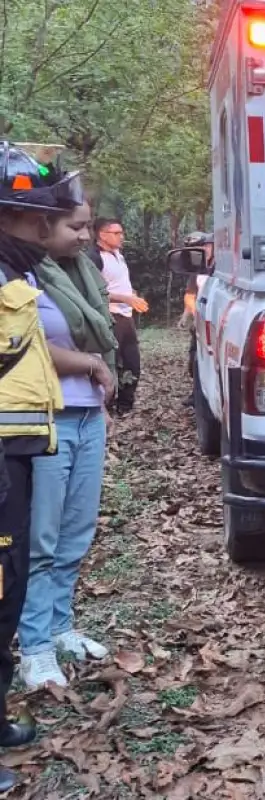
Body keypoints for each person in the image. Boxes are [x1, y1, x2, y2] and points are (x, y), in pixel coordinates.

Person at [0, 140, 80, 791]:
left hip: (18, 456)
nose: (42, 231)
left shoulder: (16, 274)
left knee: (12, 586)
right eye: (30, 221)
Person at [18, 197, 118, 688]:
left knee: (76, 531)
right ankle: (33, 645)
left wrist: (101, 381)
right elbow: (30, 344)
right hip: (44, 417)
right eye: (75, 226)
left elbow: (103, 336)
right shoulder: (23, 274)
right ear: (43, 225)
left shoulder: (80, 272)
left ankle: (60, 627)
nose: (85, 235)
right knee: (41, 537)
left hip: (86, 416)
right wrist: (91, 364)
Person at [94, 217, 149, 415]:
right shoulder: (95, 258)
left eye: (121, 233)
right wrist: (124, 299)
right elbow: (96, 292)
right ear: (102, 234)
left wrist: (132, 296)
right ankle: (105, 406)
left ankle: (126, 405)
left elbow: (120, 283)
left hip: (126, 317)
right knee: (111, 362)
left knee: (132, 362)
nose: (121, 237)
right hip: (110, 317)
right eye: (116, 233)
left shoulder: (118, 254)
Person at [178, 231, 213, 408]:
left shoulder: (220, 268)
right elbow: (190, 294)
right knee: (194, 360)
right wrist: (188, 314)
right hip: (199, 323)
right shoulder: (196, 270)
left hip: (215, 324)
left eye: (204, 247)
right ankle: (196, 392)